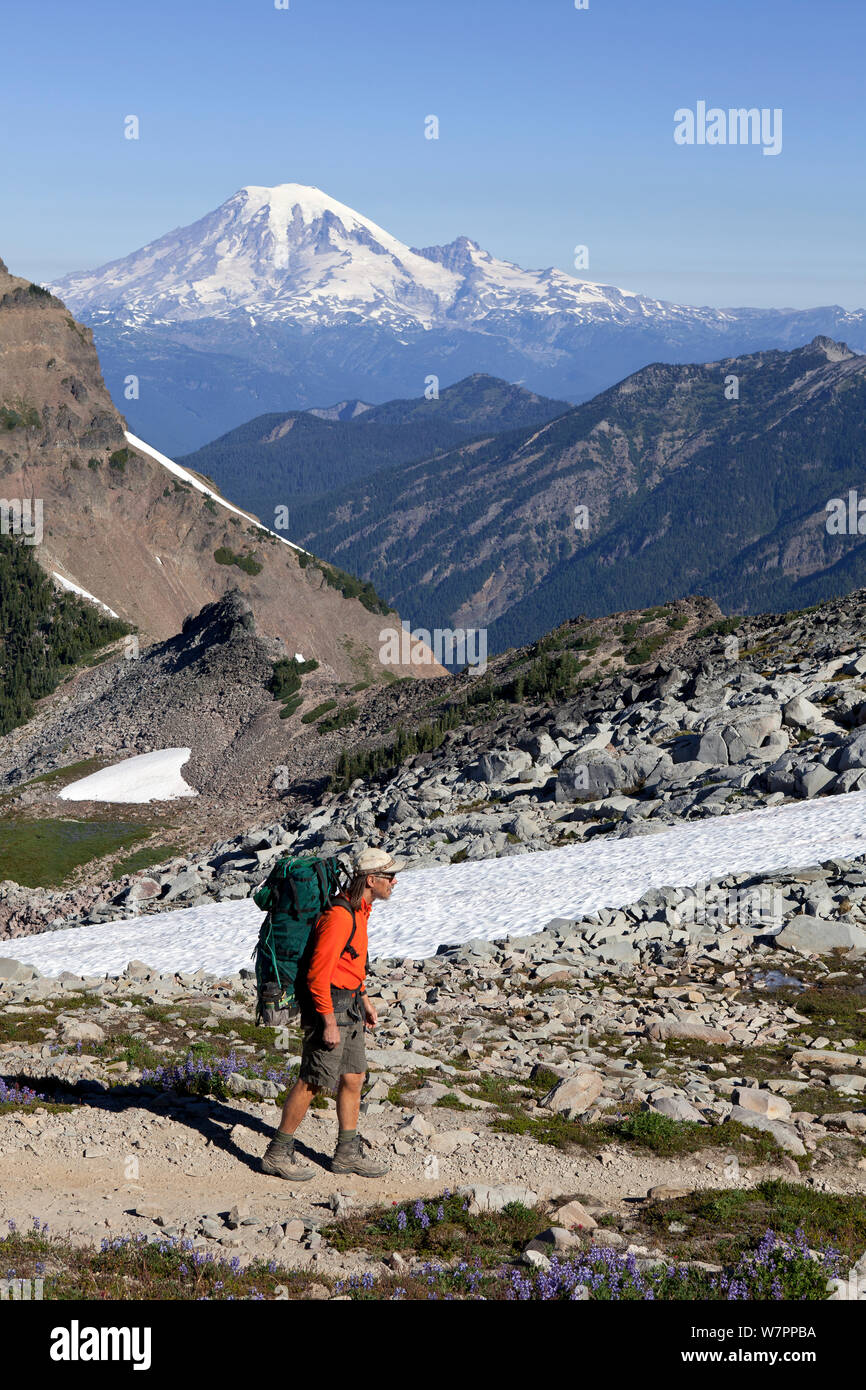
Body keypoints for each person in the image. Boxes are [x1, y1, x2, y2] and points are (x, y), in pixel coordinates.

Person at [260, 847, 400, 1180]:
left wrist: (363, 998)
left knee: (353, 1077)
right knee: (313, 1080)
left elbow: (351, 961)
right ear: (371, 880)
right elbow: (317, 975)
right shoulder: (340, 917)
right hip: (330, 1004)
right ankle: (277, 1153)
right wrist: (327, 1021)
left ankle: (346, 1155)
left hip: (349, 1001)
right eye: (390, 876)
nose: (395, 882)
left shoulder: (361, 911)